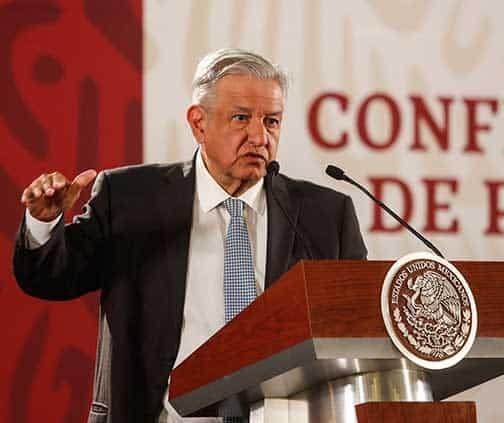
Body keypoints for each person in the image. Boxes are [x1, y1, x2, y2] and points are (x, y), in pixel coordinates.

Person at [12, 49, 367, 423]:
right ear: (199, 123)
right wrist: (44, 223)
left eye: (272, 121)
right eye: (241, 118)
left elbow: (356, 332)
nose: (260, 136)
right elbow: (51, 278)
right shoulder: (132, 198)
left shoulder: (324, 215)